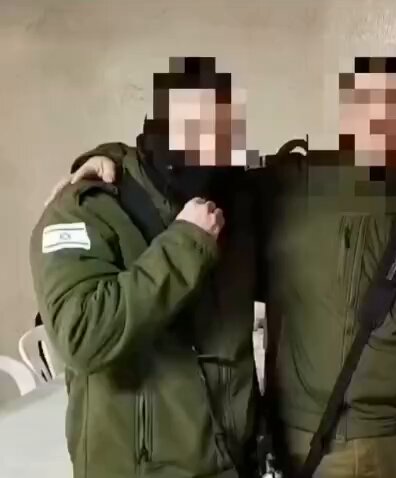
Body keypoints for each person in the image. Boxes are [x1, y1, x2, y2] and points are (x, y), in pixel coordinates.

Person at [59, 55, 396, 478]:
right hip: (296, 442)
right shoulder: (287, 186)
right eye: (366, 109)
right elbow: (184, 170)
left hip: (391, 440)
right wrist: (105, 160)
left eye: (394, 112)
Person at [32, 57, 261, 478]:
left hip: (231, 462)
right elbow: (81, 335)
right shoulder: (83, 209)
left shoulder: (232, 201)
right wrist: (184, 243)